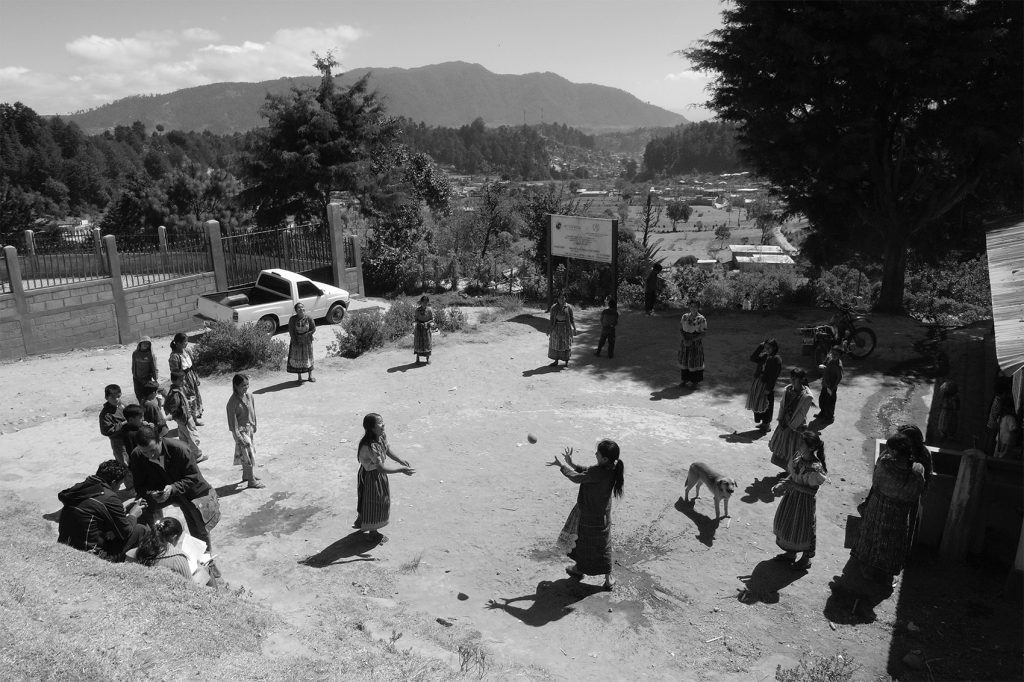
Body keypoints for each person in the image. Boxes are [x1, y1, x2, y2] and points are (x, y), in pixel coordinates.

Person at [129, 425, 221, 581]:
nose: (150, 455)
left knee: (199, 528)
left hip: (188, 491)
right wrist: (152, 494)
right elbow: (139, 486)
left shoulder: (180, 449)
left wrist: (173, 488)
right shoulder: (137, 455)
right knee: (145, 515)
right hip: (159, 492)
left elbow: (193, 477)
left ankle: (207, 562)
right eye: (145, 452)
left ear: (160, 439)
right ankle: (156, 556)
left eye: (153, 450)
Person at [851, 434, 926, 584]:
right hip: (899, 513)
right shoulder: (917, 471)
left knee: (872, 536)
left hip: (878, 507)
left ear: (895, 452)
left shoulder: (885, 464)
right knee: (892, 542)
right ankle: (887, 573)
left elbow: (876, 483)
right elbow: (916, 494)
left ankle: (868, 569)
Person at [549, 440, 624, 591]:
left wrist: (562, 466)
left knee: (583, 542)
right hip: (603, 516)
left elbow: (577, 478)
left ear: (605, 459)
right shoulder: (611, 468)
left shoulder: (597, 472)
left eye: (598, 453)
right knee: (603, 545)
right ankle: (606, 577)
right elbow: (587, 472)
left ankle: (580, 569)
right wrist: (572, 463)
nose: (595, 454)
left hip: (588, 516)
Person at [57, 460, 145, 561]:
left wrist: (126, 509)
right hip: (91, 555)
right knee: (140, 529)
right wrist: (133, 515)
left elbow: (93, 514)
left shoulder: (79, 489)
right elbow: (126, 531)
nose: (118, 488)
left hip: (66, 545)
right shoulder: (110, 497)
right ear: (113, 483)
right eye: (119, 485)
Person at [771, 430, 828, 570]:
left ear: (811, 447)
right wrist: (783, 483)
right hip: (792, 498)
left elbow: (813, 491)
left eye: (802, 443)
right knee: (790, 524)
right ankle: (791, 554)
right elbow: (793, 474)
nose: (799, 445)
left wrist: (793, 485)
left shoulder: (815, 468)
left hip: (804, 502)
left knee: (804, 528)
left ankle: (805, 560)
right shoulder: (798, 457)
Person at [355, 413, 415, 542]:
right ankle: (373, 532)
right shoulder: (370, 446)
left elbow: (386, 449)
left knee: (365, 498)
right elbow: (381, 468)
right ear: (372, 428)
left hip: (374, 473)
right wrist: (401, 470)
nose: (383, 425)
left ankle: (361, 521)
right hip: (371, 476)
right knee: (375, 502)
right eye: (380, 423)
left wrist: (400, 460)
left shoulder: (380, 436)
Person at [769, 368, 814, 471]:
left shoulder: (807, 396)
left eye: (795, 378)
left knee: (792, 450)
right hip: (784, 423)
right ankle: (788, 471)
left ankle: (792, 472)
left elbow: (801, 414)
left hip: (795, 427)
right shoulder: (788, 390)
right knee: (782, 446)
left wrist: (791, 427)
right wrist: (780, 419)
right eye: (791, 378)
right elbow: (782, 405)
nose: (792, 380)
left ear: (801, 379)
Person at [227, 373, 264, 489]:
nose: (246, 387)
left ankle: (247, 475)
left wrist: (254, 424)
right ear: (236, 386)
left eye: (247, 384)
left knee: (245, 454)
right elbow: (232, 423)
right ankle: (251, 481)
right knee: (249, 455)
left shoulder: (249, 396)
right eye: (243, 385)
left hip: (249, 429)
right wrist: (238, 437)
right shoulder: (232, 403)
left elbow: (253, 411)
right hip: (241, 432)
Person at [165, 370, 205, 463]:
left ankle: (186, 455)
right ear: (174, 381)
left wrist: (187, 402)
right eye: (181, 380)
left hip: (181, 420)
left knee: (183, 438)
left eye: (184, 380)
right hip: (185, 419)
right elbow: (176, 408)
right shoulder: (175, 393)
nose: (183, 382)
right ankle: (198, 456)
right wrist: (182, 411)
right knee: (193, 436)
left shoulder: (174, 390)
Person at [747, 339, 783, 430]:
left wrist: (769, 388)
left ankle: (767, 424)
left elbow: (774, 376)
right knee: (758, 402)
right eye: (765, 347)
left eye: (768, 348)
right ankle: (763, 423)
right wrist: (760, 347)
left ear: (774, 348)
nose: (766, 350)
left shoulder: (776, 359)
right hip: (759, 382)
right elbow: (753, 358)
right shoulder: (764, 356)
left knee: (767, 404)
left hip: (767, 384)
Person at [168, 332, 203, 424]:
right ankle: (188, 421)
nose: (186, 343)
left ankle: (195, 420)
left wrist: (196, 377)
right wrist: (181, 383)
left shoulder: (187, 351)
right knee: (188, 400)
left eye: (186, 341)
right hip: (183, 380)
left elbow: (193, 366)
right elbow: (175, 373)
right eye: (184, 342)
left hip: (191, 377)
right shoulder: (174, 356)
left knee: (194, 398)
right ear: (178, 343)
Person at [99, 384, 128, 472]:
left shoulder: (122, 405)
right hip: (119, 443)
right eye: (112, 397)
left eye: (118, 396)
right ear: (106, 397)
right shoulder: (105, 414)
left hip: (129, 439)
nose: (116, 399)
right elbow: (106, 431)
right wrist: (124, 423)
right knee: (125, 465)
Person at [678, 300, 707, 387]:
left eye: (695, 306)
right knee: (685, 360)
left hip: (695, 343)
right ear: (689, 307)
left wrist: (692, 340)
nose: (693, 308)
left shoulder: (701, 319)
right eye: (691, 306)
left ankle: (695, 382)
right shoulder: (684, 317)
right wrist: (684, 339)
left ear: (698, 307)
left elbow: (703, 334)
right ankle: (685, 379)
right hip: (685, 342)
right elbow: (681, 329)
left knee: (695, 361)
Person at [286, 302, 316, 383]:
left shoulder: (309, 318)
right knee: (298, 359)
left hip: (307, 341)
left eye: (302, 307)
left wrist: (307, 335)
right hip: (297, 341)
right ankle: (299, 377)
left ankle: (310, 376)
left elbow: (313, 329)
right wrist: (295, 341)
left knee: (308, 357)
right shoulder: (292, 319)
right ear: (296, 310)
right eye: (298, 308)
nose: (301, 309)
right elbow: (291, 331)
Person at [814, 345, 844, 423]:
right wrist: (823, 366)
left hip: (831, 388)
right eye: (832, 353)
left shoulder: (838, 366)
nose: (833, 355)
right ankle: (823, 413)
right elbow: (825, 365)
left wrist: (833, 387)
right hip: (825, 385)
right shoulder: (829, 359)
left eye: (836, 354)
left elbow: (839, 377)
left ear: (840, 356)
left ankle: (829, 417)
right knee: (822, 400)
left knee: (830, 403)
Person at [546, 293, 577, 367]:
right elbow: (551, 319)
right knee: (556, 344)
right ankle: (556, 361)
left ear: (565, 298)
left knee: (566, 344)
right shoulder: (554, 307)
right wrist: (548, 329)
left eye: (563, 298)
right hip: (556, 329)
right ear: (557, 299)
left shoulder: (568, 307)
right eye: (560, 298)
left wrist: (574, 328)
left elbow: (572, 319)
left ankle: (566, 361)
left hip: (566, 329)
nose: (561, 299)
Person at [130, 337, 159, 404]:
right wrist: (134, 375)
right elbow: (134, 365)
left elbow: (154, 367)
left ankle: (147, 406)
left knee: (147, 395)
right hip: (137, 378)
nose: (146, 345)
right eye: (144, 343)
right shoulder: (135, 353)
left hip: (146, 378)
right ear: (140, 344)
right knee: (138, 394)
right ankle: (142, 406)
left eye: (147, 343)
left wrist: (155, 377)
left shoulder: (151, 355)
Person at [413, 295, 435, 364]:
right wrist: (420, 323)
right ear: (421, 302)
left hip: (426, 328)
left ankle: (427, 358)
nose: (425, 303)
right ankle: (417, 358)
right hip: (419, 328)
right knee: (418, 343)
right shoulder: (417, 310)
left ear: (428, 302)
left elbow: (432, 319)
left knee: (427, 343)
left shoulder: (429, 310)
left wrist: (427, 323)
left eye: (426, 302)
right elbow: (415, 319)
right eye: (423, 302)